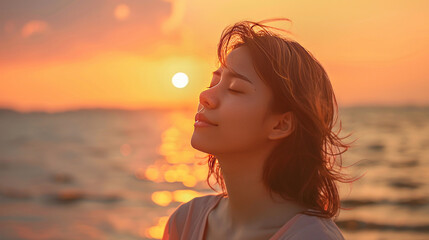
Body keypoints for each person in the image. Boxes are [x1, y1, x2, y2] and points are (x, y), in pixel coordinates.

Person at [162, 18, 357, 240]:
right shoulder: (186, 220)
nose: (205, 96)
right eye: (213, 83)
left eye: (235, 89)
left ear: (280, 124)